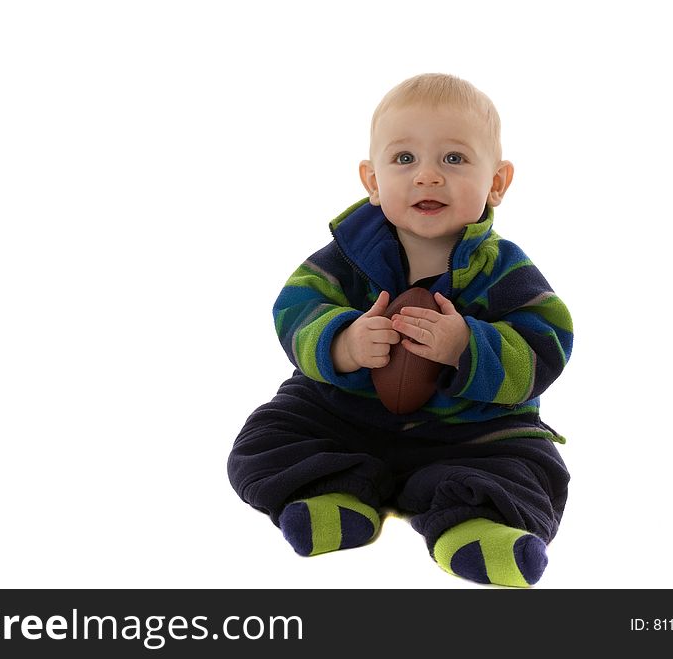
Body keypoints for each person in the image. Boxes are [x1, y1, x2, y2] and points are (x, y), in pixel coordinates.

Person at [227, 73, 573, 587]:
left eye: (453, 159)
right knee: (268, 436)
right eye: (404, 159)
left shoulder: (503, 271)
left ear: (496, 182)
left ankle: (474, 525)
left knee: (527, 466)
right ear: (371, 180)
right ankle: (337, 491)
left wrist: (466, 346)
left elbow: (546, 343)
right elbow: (295, 309)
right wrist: (343, 343)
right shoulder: (346, 257)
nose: (427, 177)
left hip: (468, 431)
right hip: (346, 415)